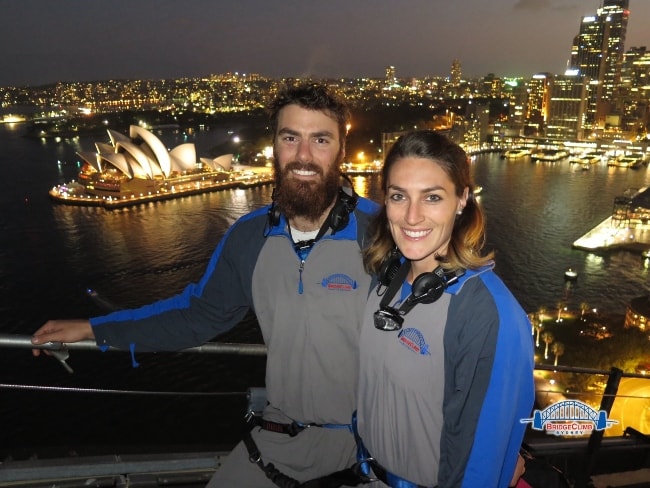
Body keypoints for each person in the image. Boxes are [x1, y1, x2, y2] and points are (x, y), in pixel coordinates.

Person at [32, 82, 379, 487]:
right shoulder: (249, 238)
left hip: (371, 443)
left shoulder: (381, 233)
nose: (303, 156)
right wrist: (95, 329)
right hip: (283, 436)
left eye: (320, 139)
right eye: (290, 138)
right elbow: (197, 315)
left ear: (340, 147)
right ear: (275, 144)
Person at [356, 130, 535, 488]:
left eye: (432, 197)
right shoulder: (386, 278)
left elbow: (482, 462)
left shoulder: (488, 314)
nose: (411, 216)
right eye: (398, 196)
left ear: (462, 200)